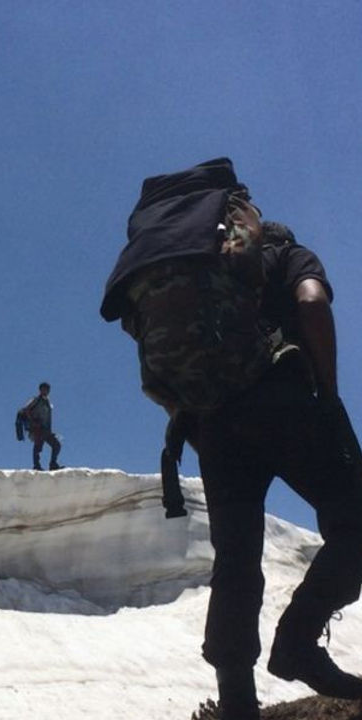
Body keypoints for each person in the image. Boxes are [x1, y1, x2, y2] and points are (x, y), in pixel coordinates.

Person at [190, 222, 362, 718]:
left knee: (235, 563)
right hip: (282, 400)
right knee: (355, 520)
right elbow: (311, 302)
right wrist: (327, 393)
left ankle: (237, 703)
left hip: (214, 425)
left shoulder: (207, 275)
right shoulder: (288, 255)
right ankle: (298, 643)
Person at [18, 382, 62, 471]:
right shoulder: (35, 400)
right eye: (44, 389)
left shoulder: (48, 402)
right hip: (37, 428)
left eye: (47, 389)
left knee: (56, 444)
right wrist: (33, 422)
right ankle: (36, 466)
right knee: (38, 447)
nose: (46, 391)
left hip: (46, 429)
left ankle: (53, 464)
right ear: (40, 390)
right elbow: (26, 410)